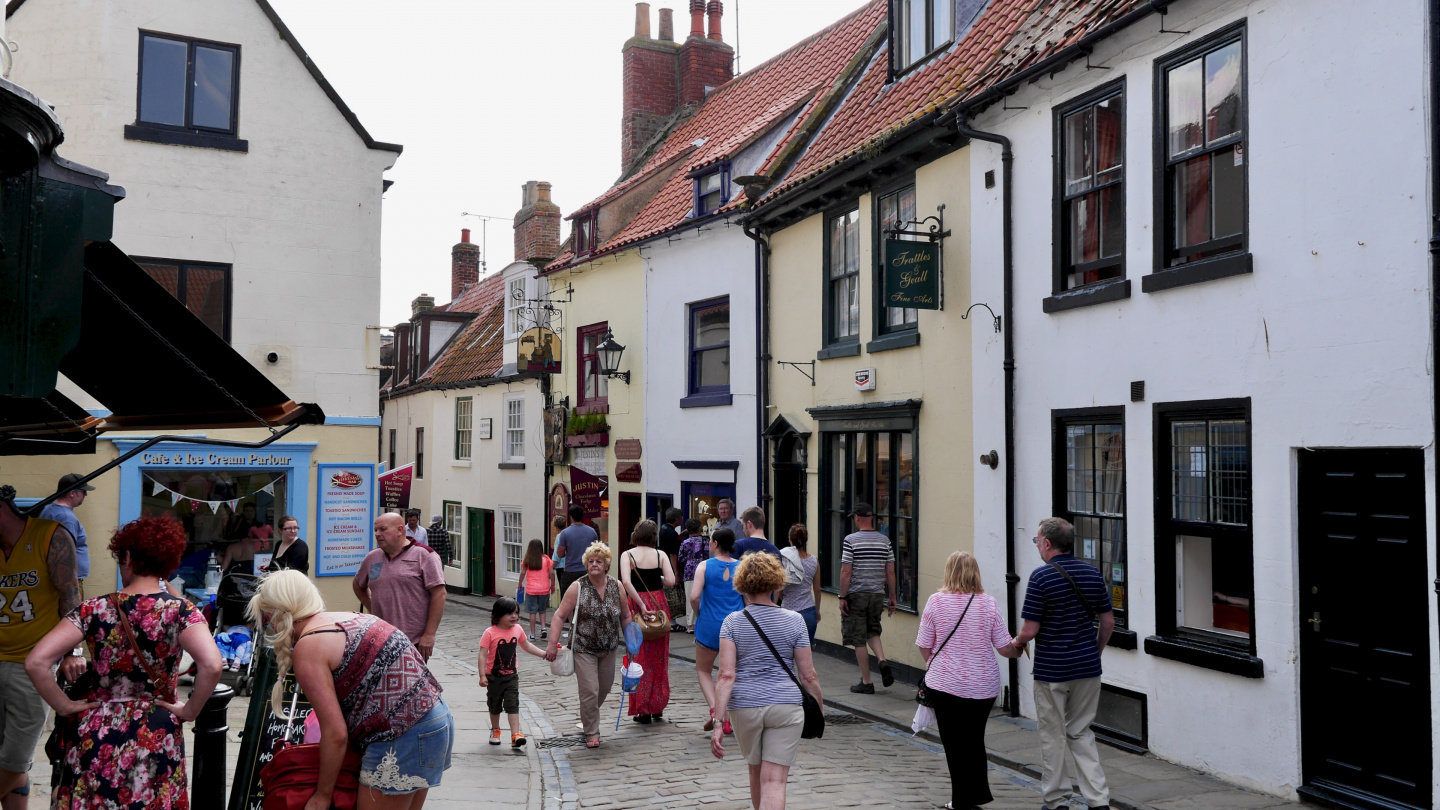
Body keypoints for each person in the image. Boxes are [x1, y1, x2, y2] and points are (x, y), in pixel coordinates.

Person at [26, 516, 223, 810]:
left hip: (98, 727)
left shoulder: (92, 608)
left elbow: (36, 662)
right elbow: (212, 665)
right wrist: (190, 710)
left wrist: (64, 706)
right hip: (157, 728)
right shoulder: (182, 611)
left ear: (128, 557)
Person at [248, 570, 454, 808]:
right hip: (436, 721)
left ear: (273, 614)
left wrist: (322, 796)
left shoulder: (309, 645)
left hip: (401, 734)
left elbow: (336, 735)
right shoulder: (349, 617)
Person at [1009, 518, 1115, 810]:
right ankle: (1099, 801)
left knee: (1052, 734)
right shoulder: (1093, 573)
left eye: (1036, 541)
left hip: (1052, 670)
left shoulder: (1041, 578)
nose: (1037, 547)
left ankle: (1057, 801)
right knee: (1081, 732)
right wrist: (1095, 652)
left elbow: (1029, 631)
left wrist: (1016, 644)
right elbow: (1107, 622)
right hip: (1087, 668)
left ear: (1046, 544)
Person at [710, 552, 822, 810]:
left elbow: (726, 675)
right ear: (776, 582)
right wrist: (819, 707)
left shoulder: (732, 623)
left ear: (742, 583)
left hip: (746, 706)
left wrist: (718, 722)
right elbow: (808, 675)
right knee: (775, 780)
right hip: (786, 706)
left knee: (755, 771)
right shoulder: (795, 621)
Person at [918, 551, 1022, 810]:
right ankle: (973, 798)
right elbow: (1004, 647)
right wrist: (1020, 646)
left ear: (948, 571)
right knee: (974, 740)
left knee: (954, 744)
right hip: (983, 685)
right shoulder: (988, 603)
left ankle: (962, 802)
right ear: (975, 572)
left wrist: (934, 663)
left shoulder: (936, 602)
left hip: (946, 685)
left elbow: (923, 645)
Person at [0, 488, 84, 808]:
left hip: (32, 664)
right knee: (5, 758)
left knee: (15, 758)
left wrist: (72, 653)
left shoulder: (51, 536)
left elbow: (71, 598)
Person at [544, 542, 637, 749]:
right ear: (586, 565)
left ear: (606, 565)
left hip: (609, 646)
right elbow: (559, 615)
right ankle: (592, 732)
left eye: (599, 561)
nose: (594, 564)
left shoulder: (617, 586)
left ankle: (588, 715)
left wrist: (631, 641)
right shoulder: (578, 587)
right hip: (583, 647)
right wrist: (552, 644)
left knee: (603, 688)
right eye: (591, 561)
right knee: (590, 691)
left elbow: (626, 615)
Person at [353, 513, 446, 660]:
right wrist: (372, 606)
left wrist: (429, 635)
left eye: (383, 529)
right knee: (381, 682)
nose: (377, 534)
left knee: (409, 683)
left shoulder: (425, 555)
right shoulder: (373, 557)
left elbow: (439, 595)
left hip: (413, 640)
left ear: (400, 530)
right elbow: (358, 585)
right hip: (380, 638)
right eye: (376, 530)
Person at [619, 520, 677, 724]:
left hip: (636, 605)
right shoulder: (660, 555)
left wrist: (641, 605)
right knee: (659, 657)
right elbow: (671, 581)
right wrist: (656, 579)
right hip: (658, 604)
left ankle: (642, 709)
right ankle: (657, 706)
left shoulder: (627, 555)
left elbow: (626, 582)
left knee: (637, 656)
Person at [838, 502, 897, 694]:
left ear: (857, 517)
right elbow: (890, 571)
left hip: (857, 593)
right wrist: (893, 597)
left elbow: (846, 571)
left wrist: (842, 596)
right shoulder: (884, 541)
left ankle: (867, 682)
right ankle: (882, 661)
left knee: (858, 638)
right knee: (873, 630)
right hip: (877, 593)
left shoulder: (850, 540)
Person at [689, 526, 743, 734]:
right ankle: (728, 719)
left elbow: (694, 597)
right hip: (736, 626)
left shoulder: (704, 566)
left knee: (704, 670)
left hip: (710, 625)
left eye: (711, 540)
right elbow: (747, 599)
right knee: (730, 673)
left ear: (716, 544)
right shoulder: (742, 567)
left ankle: (715, 711)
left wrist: (698, 614)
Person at [479, 596, 545, 749]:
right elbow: (483, 654)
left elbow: (526, 645)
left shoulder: (518, 629)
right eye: (509, 613)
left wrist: (543, 654)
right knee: (494, 706)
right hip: (493, 677)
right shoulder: (490, 633)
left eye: (516, 612)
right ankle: (495, 730)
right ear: (498, 615)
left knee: (512, 704)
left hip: (511, 676)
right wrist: (482, 676)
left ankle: (515, 735)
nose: (514, 616)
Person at [39, 473, 94, 584]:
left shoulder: (49, 509)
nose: (85, 495)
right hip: (68, 580)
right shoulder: (67, 518)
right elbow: (67, 552)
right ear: (72, 493)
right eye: (83, 491)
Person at [779, 524, 821, 644]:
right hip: (808, 611)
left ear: (790, 539)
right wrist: (817, 610)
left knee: (786, 654)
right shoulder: (814, 561)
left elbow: (780, 588)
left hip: (788, 610)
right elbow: (817, 589)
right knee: (805, 655)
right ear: (805, 540)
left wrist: (783, 598)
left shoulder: (785, 560)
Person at [554, 505, 597, 596]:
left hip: (570, 571)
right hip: (587, 571)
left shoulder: (565, 533)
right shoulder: (592, 532)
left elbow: (560, 554)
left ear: (571, 517)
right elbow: (596, 551)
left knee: (567, 601)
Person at [521, 539, 556, 639]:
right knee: (542, 610)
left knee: (532, 612)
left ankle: (532, 634)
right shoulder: (546, 559)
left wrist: (520, 584)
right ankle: (543, 627)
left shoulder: (528, 559)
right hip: (544, 589)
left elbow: (523, 573)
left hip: (531, 590)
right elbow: (552, 573)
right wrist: (552, 584)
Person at [676, 518, 707, 632]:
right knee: (703, 597)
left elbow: (680, 558)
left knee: (690, 597)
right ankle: (702, 622)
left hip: (689, 571)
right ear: (699, 528)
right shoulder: (704, 541)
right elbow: (707, 555)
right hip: (703, 570)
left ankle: (691, 624)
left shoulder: (685, 542)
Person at [657, 508, 684, 631]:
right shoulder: (672, 534)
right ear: (677, 519)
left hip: (661, 564)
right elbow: (673, 554)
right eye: (681, 518)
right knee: (671, 594)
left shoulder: (663, 528)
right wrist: (676, 573)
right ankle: (672, 622)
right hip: (668, 565)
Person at [221, 502, 259, 575]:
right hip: (252, 575)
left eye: (251, 511)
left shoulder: (231, 547)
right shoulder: (257, 545)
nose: (249, 513)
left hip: (236, 576)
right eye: (247, 511)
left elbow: (223, 568)